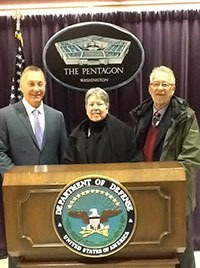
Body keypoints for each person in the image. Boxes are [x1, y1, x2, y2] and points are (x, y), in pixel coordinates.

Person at [129, 66, 200, 268]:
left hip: (174, 192)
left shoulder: (186, 117)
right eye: (155, 84)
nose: (160, 88)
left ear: (173, 88)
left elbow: (191, 158)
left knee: (180, 242)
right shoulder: (142, 114)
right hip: (147, 190)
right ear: (149, 88)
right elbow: (134, 151)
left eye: (165, 84)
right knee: (154, 239)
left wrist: (168, 182)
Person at [0, 65, 68, 267]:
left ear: (45, 86)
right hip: (18, 194)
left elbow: (65, 156)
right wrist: (16, 178)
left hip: (52, 191)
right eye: (31, 84)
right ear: (21, 86)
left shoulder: (57, 116)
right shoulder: (5, 116)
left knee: (50, 237)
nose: (36, 88)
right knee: (21, 241)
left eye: (40, 84)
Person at [64, 87, 136, 164]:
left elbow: (134, 163)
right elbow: (68, 165)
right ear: (86, 108)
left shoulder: (125, 133)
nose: (95, 108)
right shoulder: (76, 136)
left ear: (107, 107)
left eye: (99, 104)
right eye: (91, 104)